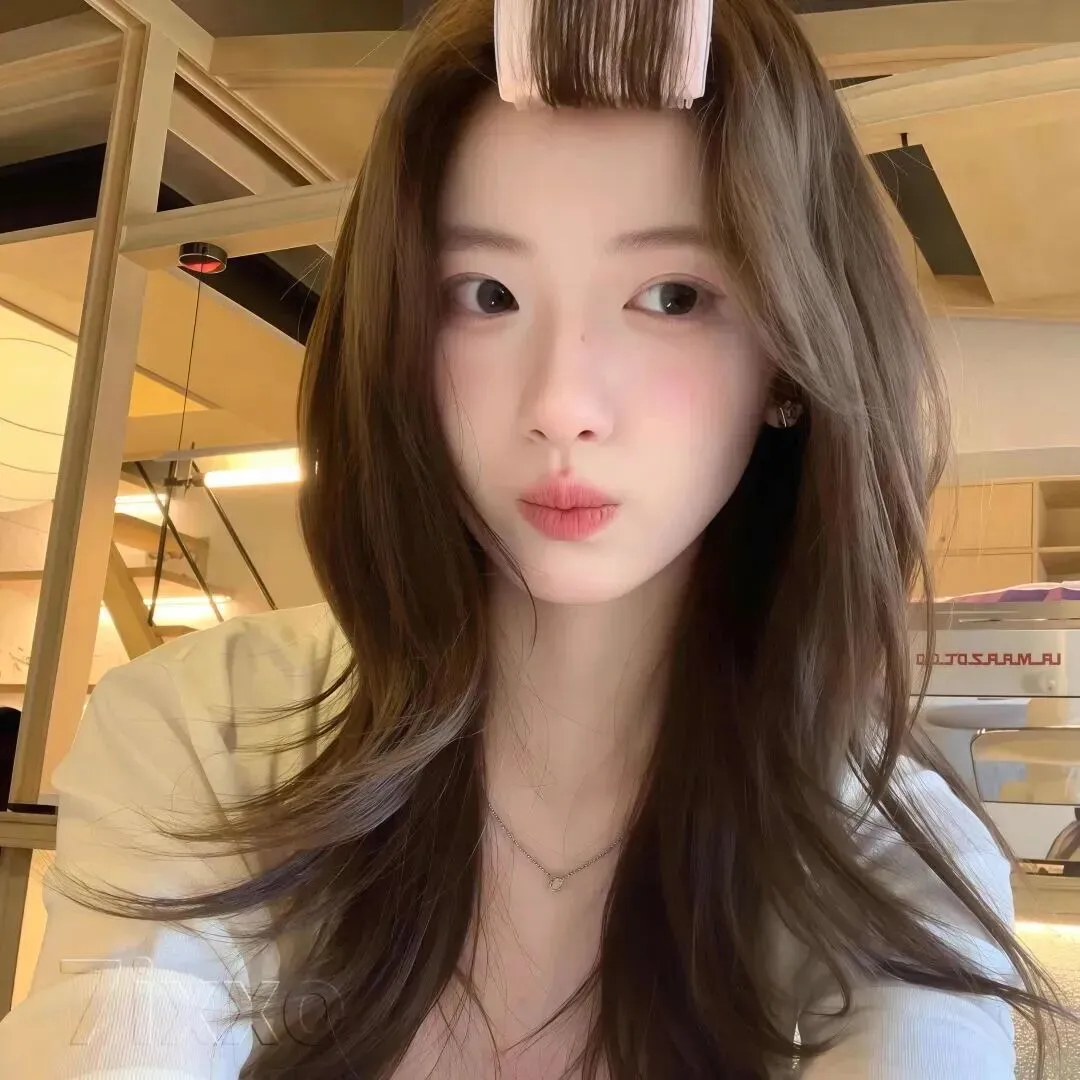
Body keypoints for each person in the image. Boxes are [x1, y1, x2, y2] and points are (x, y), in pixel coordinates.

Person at [0, 0, 1066, 1076]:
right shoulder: (202, 737)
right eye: (487, 295)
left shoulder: (886, 856)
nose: (561, 405)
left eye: (672, 296)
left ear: (789, 361)